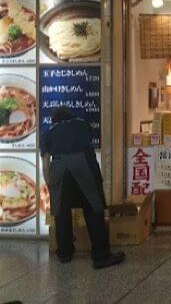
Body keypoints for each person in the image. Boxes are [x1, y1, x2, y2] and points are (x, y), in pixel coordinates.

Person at [41, 108, 125, 269]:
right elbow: (89, 144)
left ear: (54, 120)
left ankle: (64, 253)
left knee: (61, 212)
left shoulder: (48, 132)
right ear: (71, 115)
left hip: (59, 169)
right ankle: (100, 256)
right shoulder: (82, 124)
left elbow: (45, 163)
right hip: (83, 165)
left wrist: (51, 186)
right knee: (93, 208)